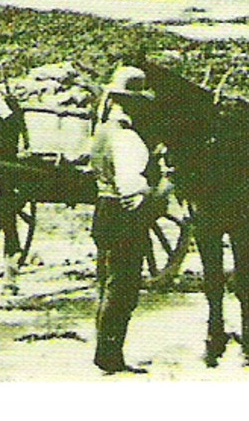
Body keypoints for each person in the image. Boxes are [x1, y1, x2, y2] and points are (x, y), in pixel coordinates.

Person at [89, 65, 170, 375]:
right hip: (124, 218)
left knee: (108, 284)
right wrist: (162, 186)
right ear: (135, 104)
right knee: (123, 289)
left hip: (103, 211)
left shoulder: (103, 131)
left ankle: (105, 351)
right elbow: (131, 191)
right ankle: (110, 356)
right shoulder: (127, 139)